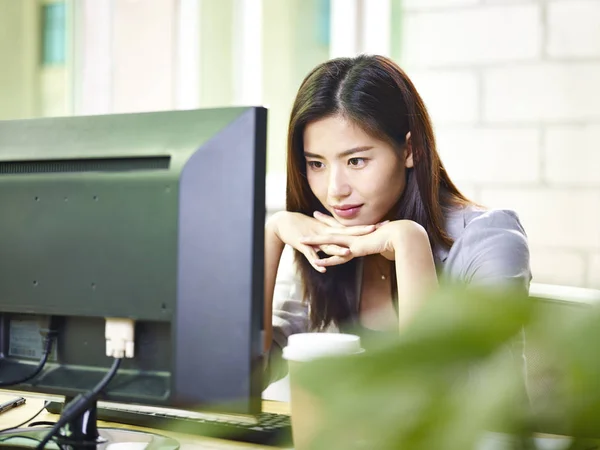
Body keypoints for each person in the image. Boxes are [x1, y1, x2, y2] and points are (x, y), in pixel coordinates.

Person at [263, 54, 531, 383]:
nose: (335, 191)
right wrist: (272, 235)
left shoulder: (489, 239)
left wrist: (408, 242)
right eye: (317, 164)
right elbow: (244, 377)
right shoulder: (327, 243)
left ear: (409, 150)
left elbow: (460, 403)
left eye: (356, 161)